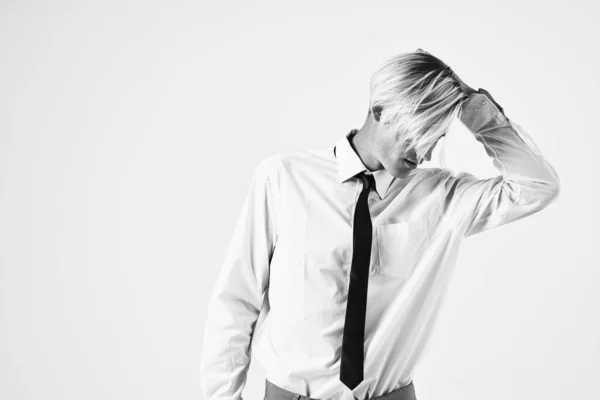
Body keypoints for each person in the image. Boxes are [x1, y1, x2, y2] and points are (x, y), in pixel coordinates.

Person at [199, 48, 561, 400]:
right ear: (379, 109)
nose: (425, 152)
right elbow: (237, 299)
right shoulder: (284, 179)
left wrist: (475, 108)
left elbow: (537, 187)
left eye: (435, 137)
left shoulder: (443, 197)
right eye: (417, 133)